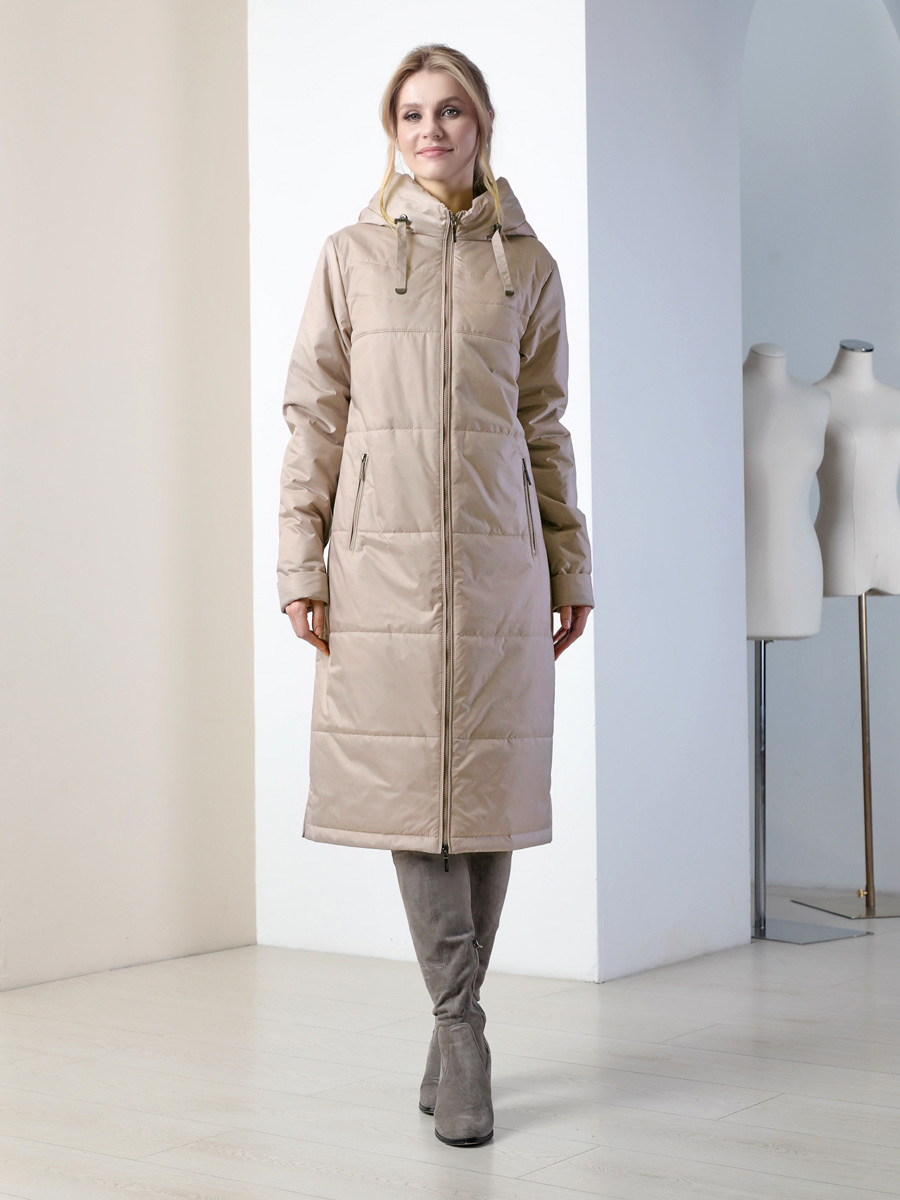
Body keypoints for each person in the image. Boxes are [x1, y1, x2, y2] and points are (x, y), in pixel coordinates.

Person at [276, 43, 594, 1147]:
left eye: (449, 111)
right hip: (383, 565)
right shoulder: (352, 257)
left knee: (487, 791)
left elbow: (545, 425)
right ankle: (461, 1028)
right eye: (411, 113)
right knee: (416, 792)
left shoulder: (528, 265)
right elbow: (315, 419)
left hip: (501, 560)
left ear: (481, 124)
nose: (430, 130)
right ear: (393, 130)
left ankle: (454, 1025)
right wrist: (301, 563)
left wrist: (570, 563)